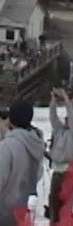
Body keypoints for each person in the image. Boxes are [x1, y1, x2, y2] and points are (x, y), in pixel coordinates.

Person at [48, 88, 73, 224]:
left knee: (64, 207)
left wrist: (67, 100)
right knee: (54, 204)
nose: (66, 119)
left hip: (68, 173)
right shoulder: (60, 130)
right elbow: (53, 118)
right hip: (56, 172)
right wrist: (53, 102)